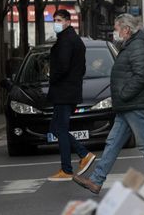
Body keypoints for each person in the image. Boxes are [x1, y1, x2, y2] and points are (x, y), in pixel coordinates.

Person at [73, 14, 144, 194]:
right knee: (113, 142)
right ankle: (96, 180)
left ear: (126, 29)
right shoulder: (131, 44)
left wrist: (123, 94)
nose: (115, 33)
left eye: (117, 29)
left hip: (133, 104)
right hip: (127, 105)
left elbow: (142, 75)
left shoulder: (137, 45)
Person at [47, 9, 96, 181]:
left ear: (68, 22)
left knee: (59, 128)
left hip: (63, 92)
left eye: (59, 20)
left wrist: (52, 77)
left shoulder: (66, 41)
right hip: (70, 90)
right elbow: (81, 68)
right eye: (55, 20)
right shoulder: (75, 40)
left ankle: (69, 168)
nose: (56, 23)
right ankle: (82, 156)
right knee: (56, 128)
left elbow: (63, 66)